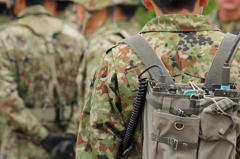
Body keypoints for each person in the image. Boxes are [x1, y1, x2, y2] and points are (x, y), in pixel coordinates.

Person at [76, 0, 240, 158]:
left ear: (147, 2)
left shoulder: (118, 59)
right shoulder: (236, 55)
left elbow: (96, 146)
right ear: (204, 0)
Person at [0, 0, 87, 158]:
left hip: (23, 147)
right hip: (67, 147)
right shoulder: (75, 37)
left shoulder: (6, 38)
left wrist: (43, 136)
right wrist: (72, 133)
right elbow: (86, 91)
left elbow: (5, 97)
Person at [74, 0, 133, 116]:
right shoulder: (119, 38)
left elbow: (94, 110)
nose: (74, 10)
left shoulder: (100, 48)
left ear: (91, 10)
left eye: (79, 5)